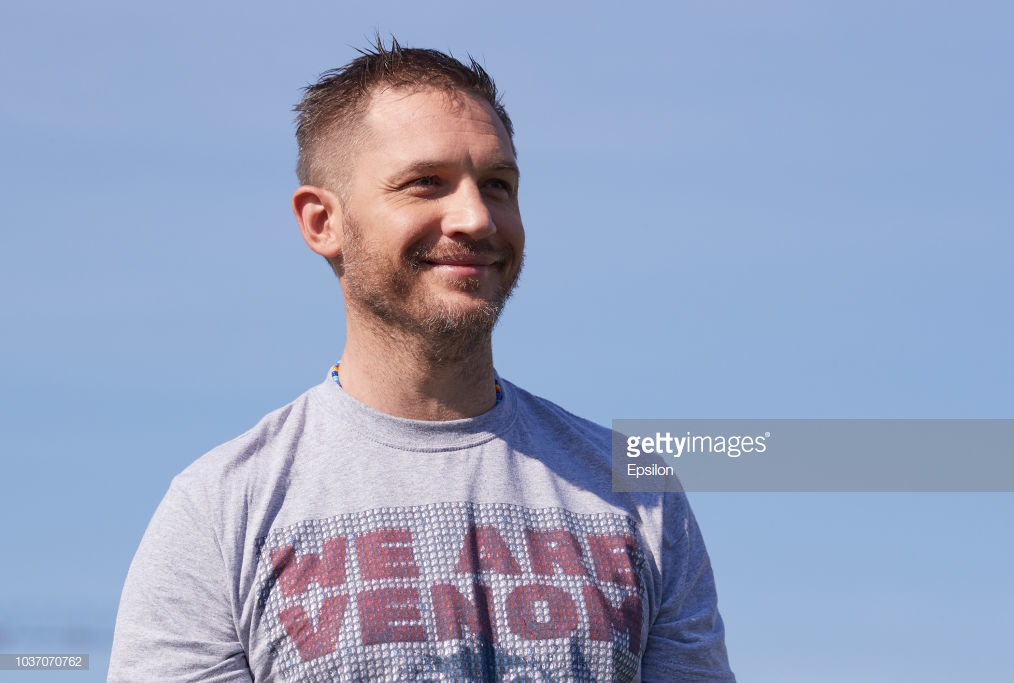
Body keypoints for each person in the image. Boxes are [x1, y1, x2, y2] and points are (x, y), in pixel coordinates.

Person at [109, 38, 736, 682]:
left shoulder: (638, 494)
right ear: (322, 221)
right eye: (426, 184)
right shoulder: (222, 513)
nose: (475, 218)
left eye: (497, 185)